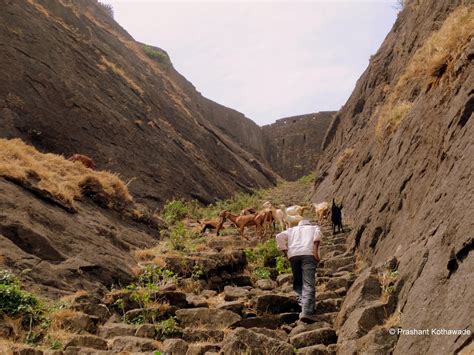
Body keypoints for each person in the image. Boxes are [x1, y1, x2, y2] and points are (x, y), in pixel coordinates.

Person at [276, 219, 322, 323]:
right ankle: (307, 311)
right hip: (308, 254)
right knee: (308, 283)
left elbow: (278, 236)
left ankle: (303, 306)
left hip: (293, 255)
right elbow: (317, 237)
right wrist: (315, 251)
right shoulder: (314, 227)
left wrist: (286, 252)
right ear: (308, 224)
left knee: (298, 282)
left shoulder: (292, 229)